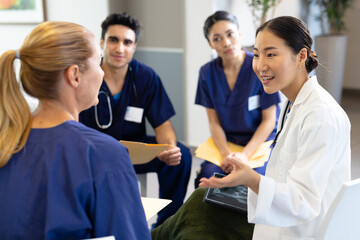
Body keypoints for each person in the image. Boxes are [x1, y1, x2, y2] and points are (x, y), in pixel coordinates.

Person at [152, 16, 351, 240]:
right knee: (201, 197)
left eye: (271, 54)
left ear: (301, 56)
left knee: (199, 218)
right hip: (279, 211)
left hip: (300, 229)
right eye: (256, 54)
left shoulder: (320, 115)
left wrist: (251, 179)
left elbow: (302, 202)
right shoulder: (292, 102)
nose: (260, 65)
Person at [0, 21, 151, 239]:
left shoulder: (7, 143)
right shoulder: (103, 154)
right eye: (99, 63)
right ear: (75, 75)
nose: (101, 73)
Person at [79, 12, 192, 228]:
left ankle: (166, 224)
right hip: (96, 153)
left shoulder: (145, 77)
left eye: (127, 42)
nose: (120, 48)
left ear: (134, 46)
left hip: (134, 151)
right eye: (113, 40)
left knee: (182, 156)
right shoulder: (88, 75)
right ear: (102, 42)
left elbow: (163, 123)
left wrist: (168, 149)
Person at [194, 11, 281, 188]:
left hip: (259, 144)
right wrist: (227, 154)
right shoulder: (206, 73)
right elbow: (214, 122)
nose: (226, 43)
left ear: (239, 34)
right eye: (217, 39)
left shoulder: (260, 67)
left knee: (253, 181)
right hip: (227, 144)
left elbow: (269, 121)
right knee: (206, 178)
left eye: (230, 34)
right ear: (210, 43)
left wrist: (245, 155)